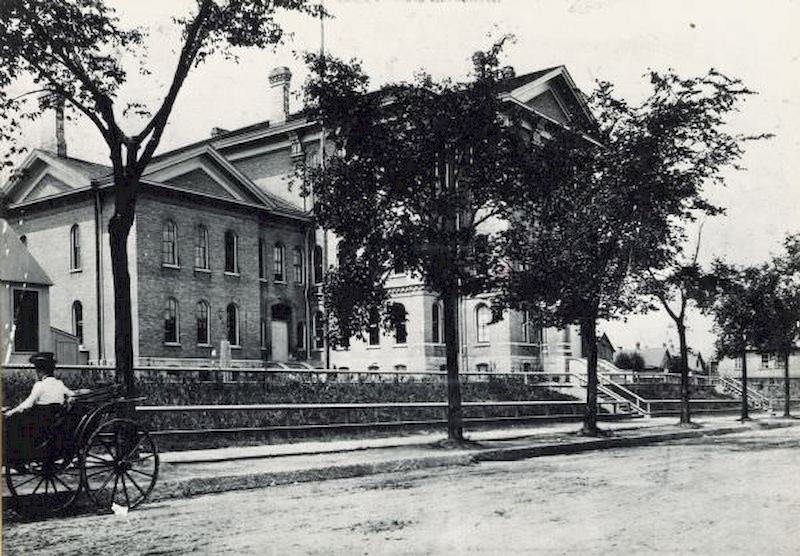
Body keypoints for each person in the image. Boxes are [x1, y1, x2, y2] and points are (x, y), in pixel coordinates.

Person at [3, 352, 90, 462]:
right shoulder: (59, 383)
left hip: (39, 423)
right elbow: (72, 394)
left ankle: (15, 455)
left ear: (39, 371)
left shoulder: (40, 385)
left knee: (11, 422)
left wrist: (11, 412)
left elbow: (28, 404)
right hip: (54, 422)